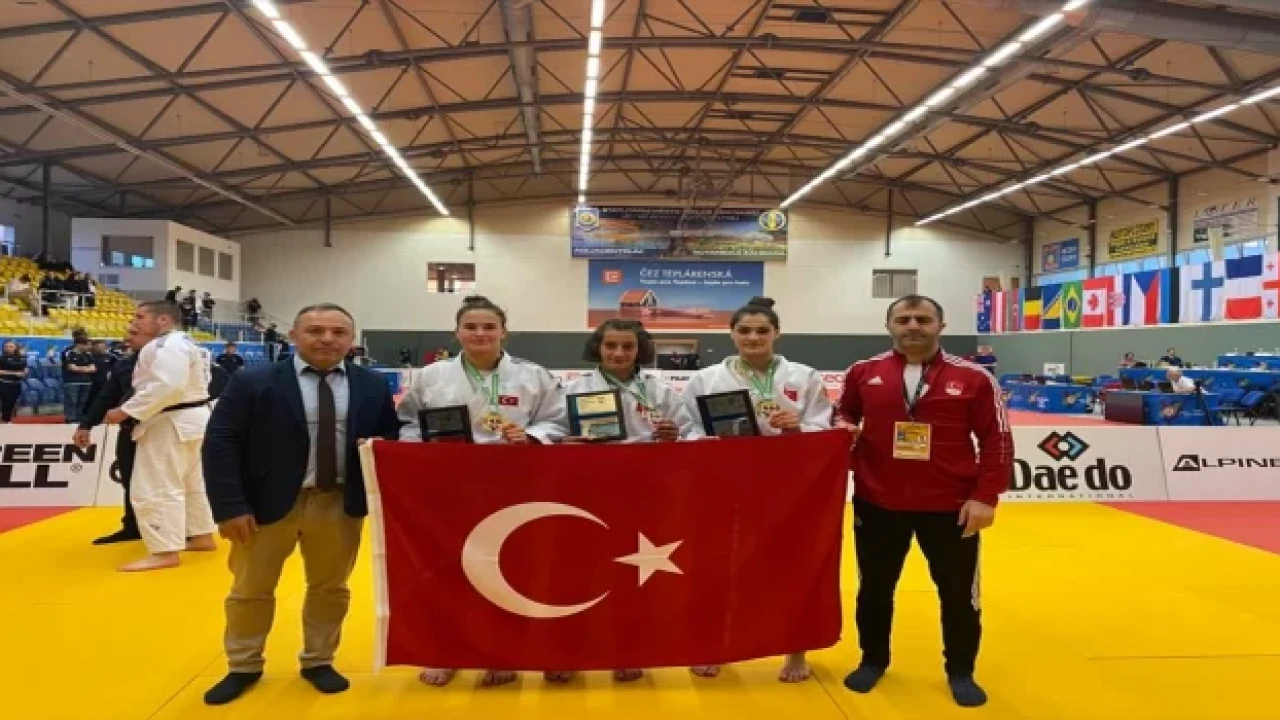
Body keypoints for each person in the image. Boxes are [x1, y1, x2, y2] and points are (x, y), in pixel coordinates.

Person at [201, 303, 401, 706]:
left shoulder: (371, 385)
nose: (327, 339)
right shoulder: (253, 381)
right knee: (250, 589)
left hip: (338, 502)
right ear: (293, 336)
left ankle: (319, 659)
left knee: (330, 589)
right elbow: (220, 442)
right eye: (315, 331)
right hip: (263, 505)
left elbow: (389, 440)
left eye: (338, 332)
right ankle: (243, 664)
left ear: (352, 340)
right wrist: (229, 506)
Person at [836, 294, 1013, 708]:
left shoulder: (974, 378)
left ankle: (961, 670)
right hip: (878, 502)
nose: (913, 326)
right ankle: (873, 660)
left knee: (958, 595)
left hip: (951, 506)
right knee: (874, 589)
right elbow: (842, 414)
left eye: (922, 319)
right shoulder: (863, 372)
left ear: (941, 326)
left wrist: (986, 497)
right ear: (889, 326)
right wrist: (845, 428)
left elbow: (997, 439)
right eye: (903, 319)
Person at [397, 295, 568, 688]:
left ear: (504, 332)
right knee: (447, 568)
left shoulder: (532, 375)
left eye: (489, 327)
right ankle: (445, 652)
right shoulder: (431, 376)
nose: (480, 333)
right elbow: (407, 424)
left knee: (508, 568)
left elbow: (557, 421)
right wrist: (422, 448)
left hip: (514, 483)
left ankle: (502, 652)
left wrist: (531, 435)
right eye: (471, 327)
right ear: (456, 332)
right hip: (449, 485)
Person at [679, 296, 834, 683]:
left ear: (776, 333)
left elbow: (824, 426)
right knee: (718, 568)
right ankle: (713, 646)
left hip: (789, 487)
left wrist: (797, 426)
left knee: (792, 569)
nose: (753, 337)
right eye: (745, 330)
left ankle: (795, 651)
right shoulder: (705, 379)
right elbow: (687, 429)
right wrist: (711, 440)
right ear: (731, 334)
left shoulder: (804, 376)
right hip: (726, 484)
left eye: (762, 330)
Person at [557, 318, 698, 683]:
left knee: (634, 572)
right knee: (579, 572)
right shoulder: (573, 389)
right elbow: (551, 429)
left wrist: (674, 435)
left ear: (640, 350)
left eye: (627, 346)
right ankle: (568, 650)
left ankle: (628, 649)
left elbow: (690, 432)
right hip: (587, 490)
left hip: (644, 492)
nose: (618, 353)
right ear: (598, 347)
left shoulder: (661, 391)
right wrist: (563, 440)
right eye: (610, 346)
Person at [104, 301, 218, 572]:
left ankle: (164, 551)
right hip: (193, 418)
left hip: (171, 421)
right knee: (191, 482)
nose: (135, 322)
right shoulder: (189, 343)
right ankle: (201, 535)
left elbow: (168, 386)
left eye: (141, 316)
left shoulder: (166, 345)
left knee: (156, 486)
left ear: (163, 320)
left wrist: (125, 410)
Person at [77, 327, 151, 545]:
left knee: (166, 482)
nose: (127, 338)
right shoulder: (124, 364)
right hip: (128, 429)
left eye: (135, 333)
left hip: (159, 431)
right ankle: (133, 526)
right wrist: (86, 424)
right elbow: (106, 395)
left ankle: (182, 529)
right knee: (128, 478)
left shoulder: (166, 363)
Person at [0, 339, 28, 422]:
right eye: (6, 347)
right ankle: (5, 420)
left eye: (11, 346)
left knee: (12, 402)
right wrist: (14, 373)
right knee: (6, 402)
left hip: (16, 384)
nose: (8, 348)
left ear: (16, 347)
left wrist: (25, 372)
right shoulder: (2, 359)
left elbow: (25, 368)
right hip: (4, 383)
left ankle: (7, 419)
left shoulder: (21, 358)